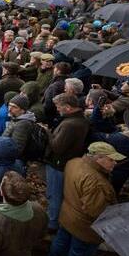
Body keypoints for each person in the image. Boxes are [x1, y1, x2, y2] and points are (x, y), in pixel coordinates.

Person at [48, 142, 121, 256]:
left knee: (60, 243)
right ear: (98, 158)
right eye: (111, 159)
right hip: (84, 226)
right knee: (78, 255)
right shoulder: (96, 181)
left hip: (67, 215)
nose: (115, 162)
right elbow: (95, 211)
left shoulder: (73, 163)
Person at [46, 93, 90, 231]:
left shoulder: (70, 125)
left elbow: (57, 147)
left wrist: (47, 132)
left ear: (68, 107)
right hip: (67, 162)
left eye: (59, 107)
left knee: (55, 194)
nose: (57, 109)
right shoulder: (80, 120)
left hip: (58, 164)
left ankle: (52, 223)